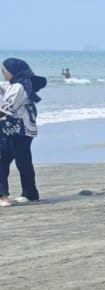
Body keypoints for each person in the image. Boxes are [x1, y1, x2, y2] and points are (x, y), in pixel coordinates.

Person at [0, 58, 46, 206]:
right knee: (15, 161)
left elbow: (6, 110)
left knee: (20, 161)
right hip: (18, 130)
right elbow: (3, 87)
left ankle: (28, 193)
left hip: (19, 130)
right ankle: (29, 193)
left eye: (4, 69)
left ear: (13, 71)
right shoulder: (17, 84)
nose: (3, 72)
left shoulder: (18, 87)